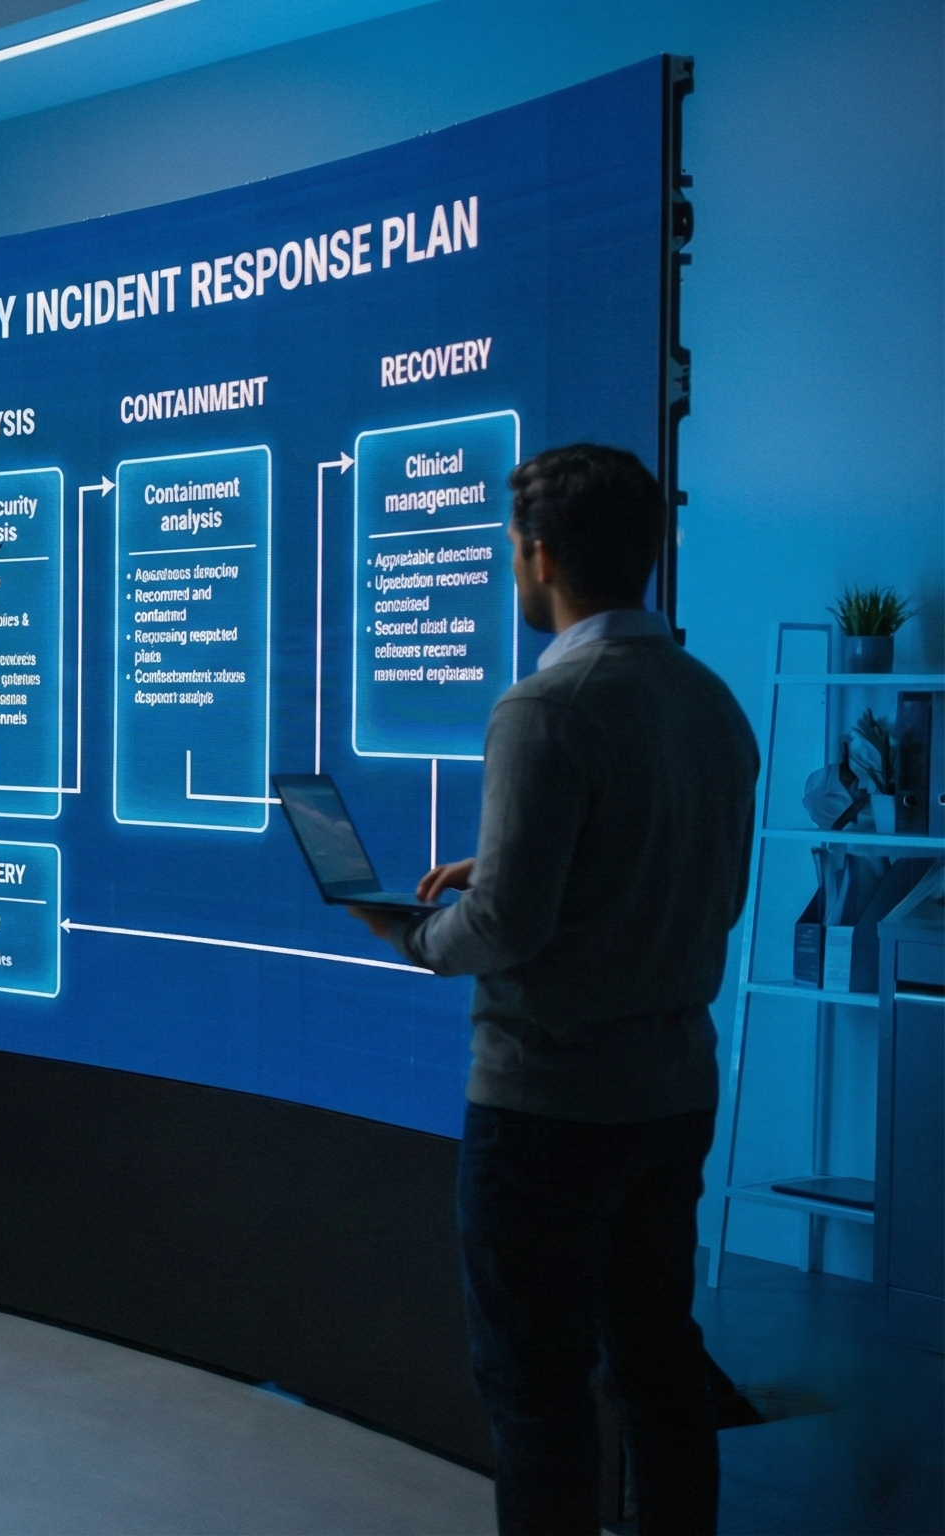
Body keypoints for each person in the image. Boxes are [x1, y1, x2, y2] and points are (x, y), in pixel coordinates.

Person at [350, 444, 755, 1534]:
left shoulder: (544, 708)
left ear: (537, 554)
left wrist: (413, 932)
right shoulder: (710, 702)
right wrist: (520, 863)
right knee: (658, 1368)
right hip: (669, 1097)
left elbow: (502, 932)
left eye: (510, 552)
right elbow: (694, 883)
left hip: (546, 1114)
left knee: (534, 1395)